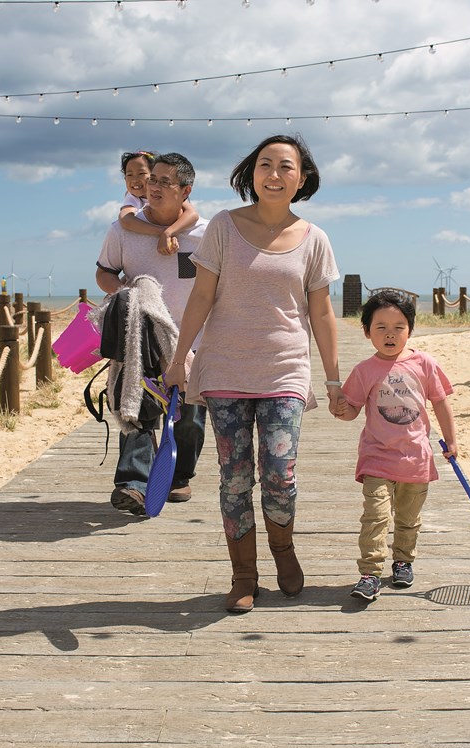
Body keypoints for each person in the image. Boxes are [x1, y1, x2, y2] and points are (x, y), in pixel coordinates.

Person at [164, 134, 341, 614]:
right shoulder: (223, 226)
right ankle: (244, 573)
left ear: (301, 179)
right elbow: (201, 296)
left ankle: (283, 551)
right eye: (266, 164)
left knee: (280, 474)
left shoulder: (314, 238)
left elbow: (321, 313)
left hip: (285, 368)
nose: (274, 174)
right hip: (224, 367)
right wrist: (180, 360)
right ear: (251, 172)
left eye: (286, 166)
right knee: (235, 477)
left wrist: (332, 377)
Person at [96, 152, 207, 516]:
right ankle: (133, 483)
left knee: (188, 417)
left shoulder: (206, 234)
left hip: (193, 340)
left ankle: (178, 476)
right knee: (136, 407)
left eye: (164, 182)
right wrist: (124, 296)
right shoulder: (122, 231)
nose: (153, 187)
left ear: (185, 190)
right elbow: (105, 273)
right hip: (139, 336)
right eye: (152, 180)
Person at [330, 290, 458, 603]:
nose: (390, 334)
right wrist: (340, 409)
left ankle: (403, 561)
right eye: (381, 327)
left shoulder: (424, 363)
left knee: (408, 518)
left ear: (410, 330)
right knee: (374, 517)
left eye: (399, 327)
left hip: (415, 459)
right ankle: (370, 573)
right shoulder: (364, 370)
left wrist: (451, 439)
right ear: (367, 332)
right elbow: (352, 411)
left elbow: (440, 401)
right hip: (377, 458)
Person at [118, 151, 200, 256]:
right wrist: (162, 233)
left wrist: (169, 232)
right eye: (129, 174)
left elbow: (193, 214)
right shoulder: (132, 197)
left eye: (141, 173)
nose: (135, 179)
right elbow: (126, 220)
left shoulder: (168, 195)